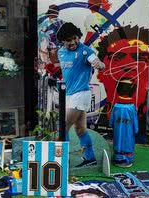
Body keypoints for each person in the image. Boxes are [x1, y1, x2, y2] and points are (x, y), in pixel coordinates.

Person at [56, 22, 105, 167]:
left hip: (81, 94)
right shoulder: (61, 52)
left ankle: (61, 160)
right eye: (69, 40)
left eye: (75, 38)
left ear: (78, 37)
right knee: (80, 128)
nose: (73, 42)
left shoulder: (85, 52)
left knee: (63, 126)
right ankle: (90, 159)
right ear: (62, 41)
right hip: (68, 95)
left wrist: (99, 64)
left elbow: (97, 62)